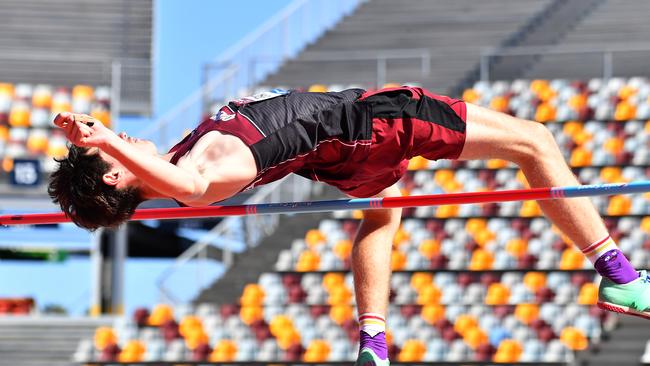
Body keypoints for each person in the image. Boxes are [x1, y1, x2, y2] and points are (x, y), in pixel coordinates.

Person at [50, 86, 649, 365]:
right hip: (373, 121)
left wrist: (108, 146)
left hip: (338, 157)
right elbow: (191, 188)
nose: (123, 137)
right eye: (114, 154)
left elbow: (171, 178)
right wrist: (100, 138)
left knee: (384, 213)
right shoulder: (199, 174)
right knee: (535, 142)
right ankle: (617, 274)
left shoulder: (181, 160)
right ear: (113, 178)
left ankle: (374, 344)